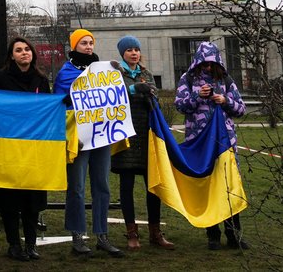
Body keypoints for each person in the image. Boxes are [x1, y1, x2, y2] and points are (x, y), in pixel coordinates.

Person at [53, 28, 124, 258]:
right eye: (83, 43)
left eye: (91, 42)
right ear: (74, 46)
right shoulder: (66, 72)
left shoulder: (101, 70)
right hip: (79, 138)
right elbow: (61, 102)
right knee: (77, 188)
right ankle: (77, 236)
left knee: (102, 186)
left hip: (101, 135)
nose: (89, 47)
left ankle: (102, 236)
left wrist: (117, 75)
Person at [174, 41, 249, 251]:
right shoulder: (187, 79)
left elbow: (241, 109)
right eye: (204, 63)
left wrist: (225, 100)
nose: (207, 67)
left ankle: (234, 235)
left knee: (229, 186)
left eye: (211, 63)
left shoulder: (225, 79)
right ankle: (213, 235)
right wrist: (198, 97)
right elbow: (180, 105)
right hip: (199, 142)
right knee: (207, 184)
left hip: (225, 142)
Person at [0, 37, 51, 262]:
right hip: (9, 148)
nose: (24, 53)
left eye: (27, 49)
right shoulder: (0, 80)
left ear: (32, 53)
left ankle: (31, 244)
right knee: (10, 200)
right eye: (18, 50)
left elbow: (48, 111)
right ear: (11, 56)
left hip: (33, 149)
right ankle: (14, 244)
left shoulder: (41, 81)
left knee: (32, 200)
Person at [109, 35, 174, 250]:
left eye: (136, 49)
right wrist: (134, 89)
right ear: (122, 53)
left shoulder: (146, 73)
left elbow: (154, 93)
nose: (134, 53)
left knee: (153, 187)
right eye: (129, 50)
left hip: (147, 137)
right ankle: (132, 233)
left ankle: (156, 233)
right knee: (126, 188)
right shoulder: (116, 72)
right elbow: (114, 94)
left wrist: (147, 91)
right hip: (126, 137)